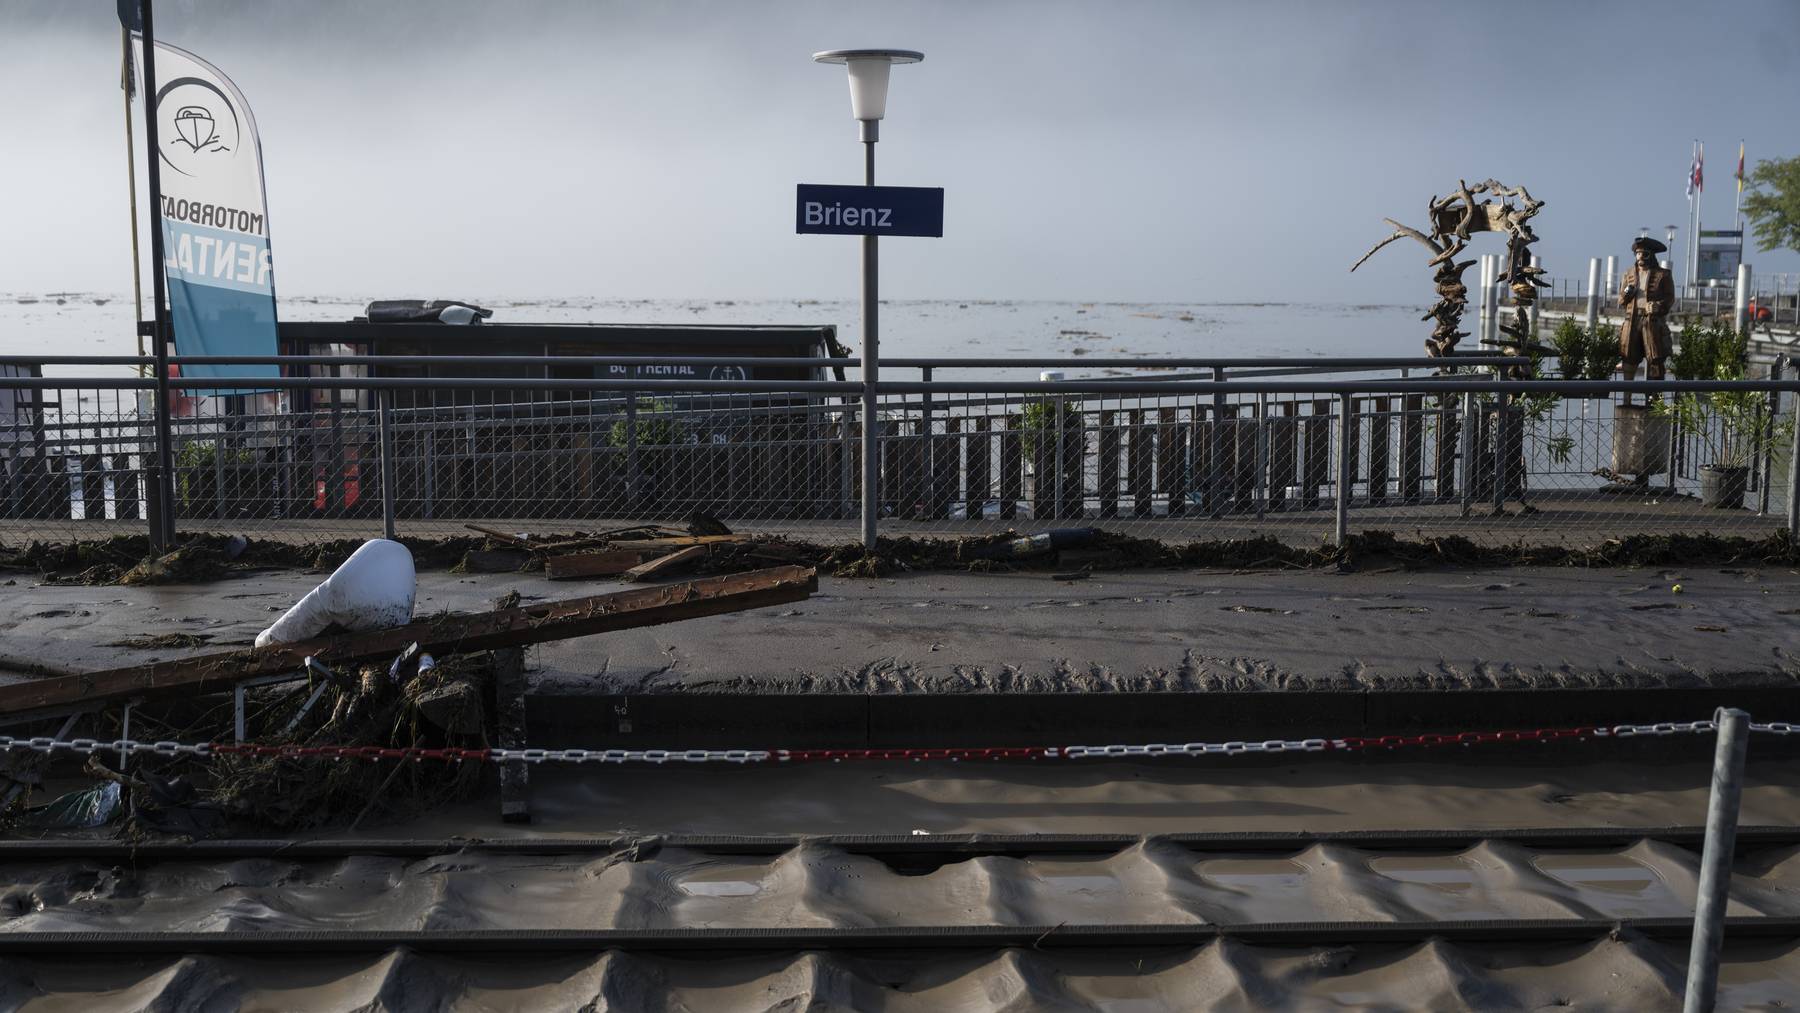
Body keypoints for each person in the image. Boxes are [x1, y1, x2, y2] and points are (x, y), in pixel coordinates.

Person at [1617, 236, 1674, 402]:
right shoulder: (1628, 274)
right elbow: (1620, 301)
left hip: (1652, 324)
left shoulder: (1663, 275)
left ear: (1651, 255)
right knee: (1628, 359)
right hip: (1631, 321)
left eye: (1644, 254)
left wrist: (1659, 306)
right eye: (1638, 253)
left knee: (1655, 359)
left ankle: (1654, 400)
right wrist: (1627, 294)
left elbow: (1669, 299)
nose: (1640, 257)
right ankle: (1626, 399)